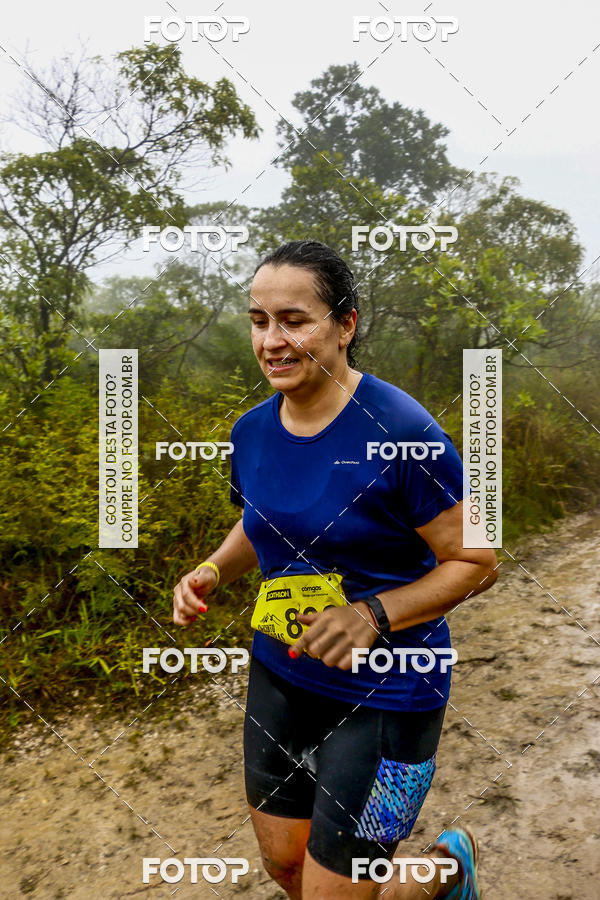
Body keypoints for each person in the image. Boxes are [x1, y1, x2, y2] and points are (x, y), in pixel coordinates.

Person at [173, 240, 498, 899]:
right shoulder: (251, 432)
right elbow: (261, 521)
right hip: (283, 675)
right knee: (285, 867)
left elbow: (477, 561)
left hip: (391, 692)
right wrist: (211, 570)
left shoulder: (403, 432)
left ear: (346, 325)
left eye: (295, 320)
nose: (271, 340)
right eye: (259, 321)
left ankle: (447, 869)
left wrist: (372, 615)